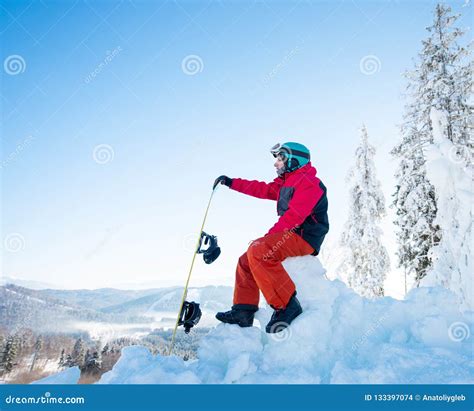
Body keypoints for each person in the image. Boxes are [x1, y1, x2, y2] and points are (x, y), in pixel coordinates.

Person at [213, 142, 329, 333]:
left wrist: (266, 241)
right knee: (245, 261)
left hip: (305, 237)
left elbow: (294, 217)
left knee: (258, 250)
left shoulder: (310, 183)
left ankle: (287, 305)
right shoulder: (287, 181)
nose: (276, 163)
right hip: (290, 234)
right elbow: (261, 189)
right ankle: (243, 310)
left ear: (294, 160)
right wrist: (231, 182)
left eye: (280, 158)